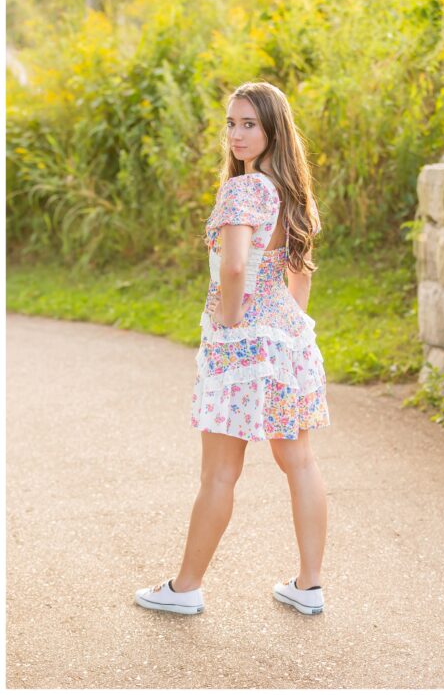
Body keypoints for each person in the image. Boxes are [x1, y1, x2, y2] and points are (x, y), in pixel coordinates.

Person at [135, 82, 331, 616]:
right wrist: (286, 324)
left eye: (250, 124)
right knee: (301, 463)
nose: (238, 134)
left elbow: (236, 266)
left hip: (242, 342)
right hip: (288, 339)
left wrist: (230, 324)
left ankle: (185, 588)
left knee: (220, 472)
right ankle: (309, 586)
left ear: (272, 129)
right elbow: (300, 277)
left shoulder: (245, 191)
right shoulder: (292, 193)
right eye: (232, 124)